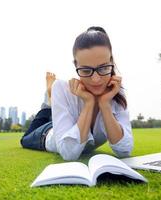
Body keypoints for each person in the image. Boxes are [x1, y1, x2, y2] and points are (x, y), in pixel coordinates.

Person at [20, 26, 133, 161]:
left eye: (103, 68)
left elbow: (124, 151)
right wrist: (89, 103)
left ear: (111, 62)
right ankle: (48, 103)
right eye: (86, 70)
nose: (96, 79)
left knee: (58, 112)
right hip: (45, 134)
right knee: (25, 139)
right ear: (76, 65)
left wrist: (105, 104)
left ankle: (51, 102)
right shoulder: (62, 88)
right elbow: (68, 154)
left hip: (65, 122)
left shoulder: (116, 90)